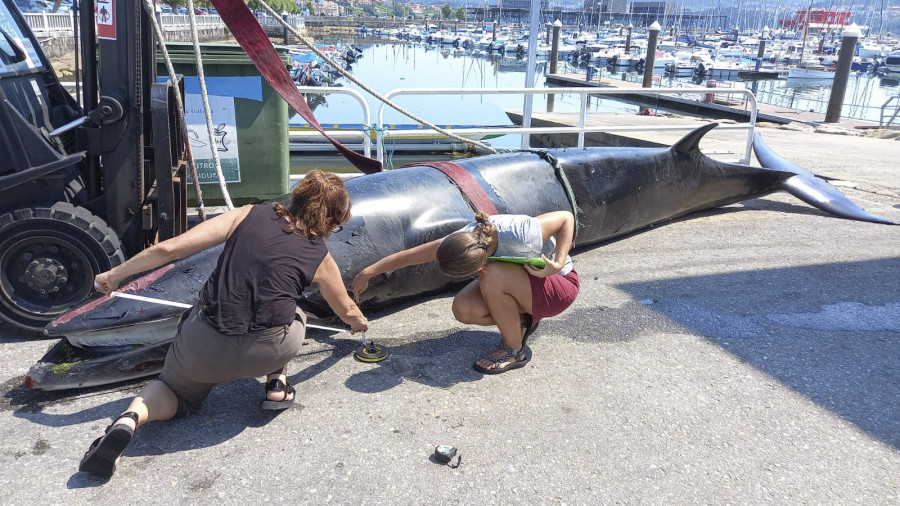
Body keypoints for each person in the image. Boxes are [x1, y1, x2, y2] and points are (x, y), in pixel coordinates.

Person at [79, 170, 368, 478]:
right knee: (294, 312)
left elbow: (169, 249)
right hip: (268, 351)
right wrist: (360, 323)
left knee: (171, 390)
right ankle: (276, 385)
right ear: (333, 219)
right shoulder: (320, 255)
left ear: (296, 196)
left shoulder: (247, 214)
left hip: (204, 347)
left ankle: (129, 421)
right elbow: (346, 309)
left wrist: (115, 276)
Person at [353, 210, 578, 375]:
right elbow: (410, 256)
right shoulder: (463, 239)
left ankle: (514, 350)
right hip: (526, 286)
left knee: (492, 275)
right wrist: (368, 272)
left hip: (559, 287)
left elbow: (566, 218)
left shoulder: (519, 232)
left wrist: (557, 263)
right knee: (464, 308)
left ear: (476, 266)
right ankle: (522, 321)